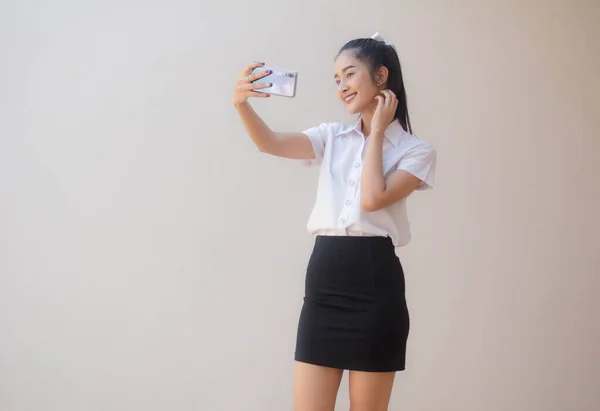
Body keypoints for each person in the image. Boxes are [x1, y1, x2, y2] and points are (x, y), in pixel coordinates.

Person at [232, 33, 436, 411]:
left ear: (381, 77)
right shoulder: (331, 137)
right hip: (325, 280)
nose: (341, 86)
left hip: (376, 287)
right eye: (336, 79)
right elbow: (270, 143)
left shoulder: (416, 152)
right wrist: (242, 105)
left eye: (349, 74)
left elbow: (372, 198)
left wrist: (376, 133)